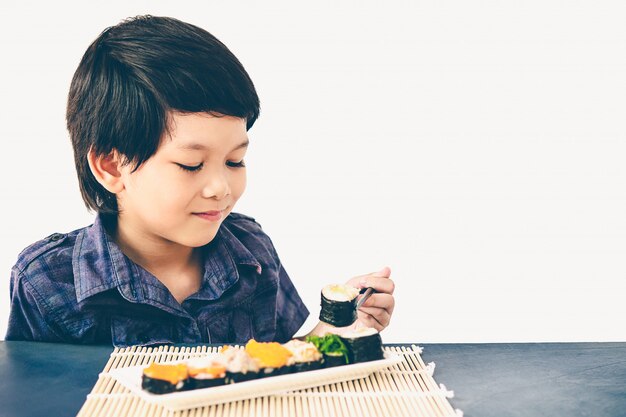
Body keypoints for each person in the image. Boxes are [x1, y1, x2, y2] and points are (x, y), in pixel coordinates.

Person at [5, 15, 395, 346]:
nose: (221, 188)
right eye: (192, 165)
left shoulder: (252, 253)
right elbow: (33, 393)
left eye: (234, 160)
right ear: (111, 166)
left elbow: (279, 365)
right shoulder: (47, 280)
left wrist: (334, 328)